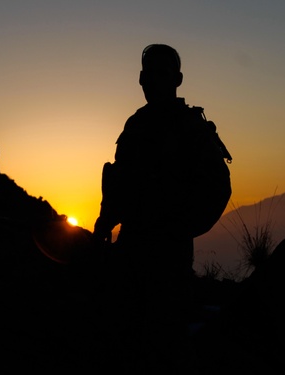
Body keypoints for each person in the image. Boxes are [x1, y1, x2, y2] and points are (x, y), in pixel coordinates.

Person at [91, 44, 231, 360]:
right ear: (140, 79)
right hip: (129, 249)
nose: (153, 80)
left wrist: (179, 228)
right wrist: (105, 222)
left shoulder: (191, 126)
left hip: (169, 259)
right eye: (148, 74)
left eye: (161, 73)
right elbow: (119, 181)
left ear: (177, 79)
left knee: (163, 343)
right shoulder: (135, 125)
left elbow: (218, 188)